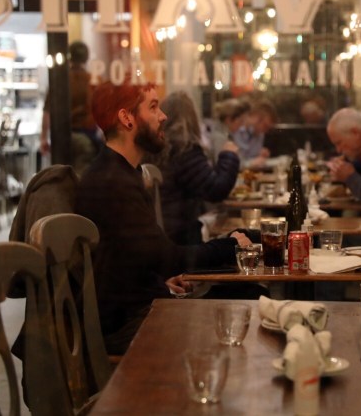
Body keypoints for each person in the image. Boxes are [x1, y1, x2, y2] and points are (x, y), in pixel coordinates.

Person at [74, 81, 251, 354]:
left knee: (242, 299)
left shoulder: (119, 172)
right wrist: (231, 245)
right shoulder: (113, 182)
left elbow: (135, 259)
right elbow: (168, 258)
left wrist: (159, 282)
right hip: (125, 326)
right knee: (244, 306)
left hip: (135, 307)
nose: (163, 116)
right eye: (153, 107)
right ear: (126, 118)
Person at [145, 91, 240, 245]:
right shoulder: (184, 149)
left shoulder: (156, 147)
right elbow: (215, 189)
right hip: (180, 239)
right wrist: (229, 155)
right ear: (192, 118)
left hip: (160, 233)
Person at [40, 41, 102, 175]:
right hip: (87, 138)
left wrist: (44, 137)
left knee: (61, 179)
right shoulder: (92, 80)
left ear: (69, 57)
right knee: (81, 181)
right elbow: (103, 111)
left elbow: (47, 111)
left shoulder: (60, 80)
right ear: (86, 57)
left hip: (61, 137)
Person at [232, 98, 277, 168]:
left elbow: (253, 158)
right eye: (265, 126)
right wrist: (251, 163)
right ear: (257, 118)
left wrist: (260, 155)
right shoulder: (236, 130)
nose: (266, 131)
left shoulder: (260, 134)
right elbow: (234, 163)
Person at [203, 97, 249, 163]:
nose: (241, 126)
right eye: (240, 121)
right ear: (228, 119)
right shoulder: (219, 137)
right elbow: (222, 163)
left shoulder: (228, 135)